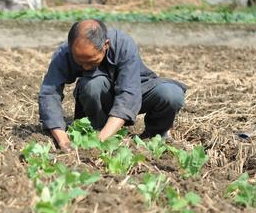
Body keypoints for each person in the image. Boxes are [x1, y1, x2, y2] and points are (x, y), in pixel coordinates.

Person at [38, 19, 186, 151]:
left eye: (90, 61)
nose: (85, 68)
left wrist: (100, 141)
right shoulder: (64, 53)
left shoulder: (124, 45)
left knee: (171, 93)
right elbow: (49, 94)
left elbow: (128, 94)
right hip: (97, 95)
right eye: (79, 62)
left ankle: (154, 137)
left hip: (135, 92)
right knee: (93, 84)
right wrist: (63, 140)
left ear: (105, 46)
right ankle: (96, 130)